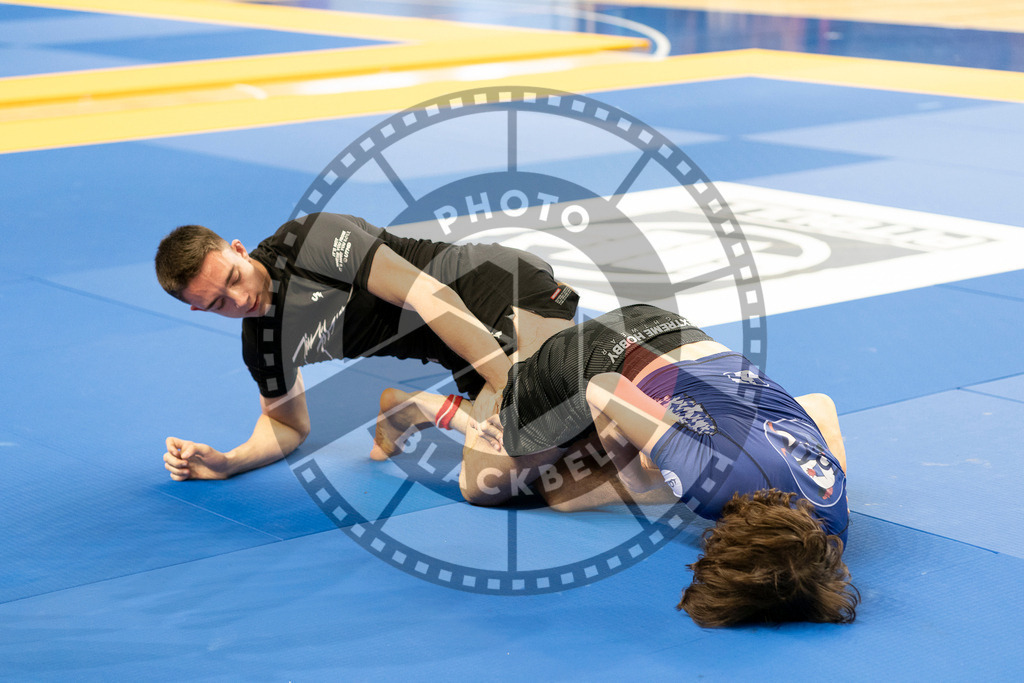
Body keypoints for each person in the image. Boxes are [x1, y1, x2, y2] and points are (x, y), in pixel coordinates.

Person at [470, 303, 859, 627]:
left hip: (678, 332)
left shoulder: (832, 513)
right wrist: (638, 480)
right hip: (603, 353)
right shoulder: (707, 483)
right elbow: (603, 386)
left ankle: (597, 420)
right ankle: (503, 374)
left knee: (564, 496)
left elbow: (820, 405)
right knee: (482, 486)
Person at [154, 211, 577, 497]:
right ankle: (420, 408)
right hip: (463, 351)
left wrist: (512, 389)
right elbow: (285, 424)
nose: (240, 299)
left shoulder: (306, 243)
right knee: (489, 484)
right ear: (198, 309)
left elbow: (428, 294)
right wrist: (229, 462)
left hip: (496, 288)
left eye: (234, 277)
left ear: (239, 250)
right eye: (218, 303)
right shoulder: (264, 343)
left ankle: (583, 375)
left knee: (562, 437)